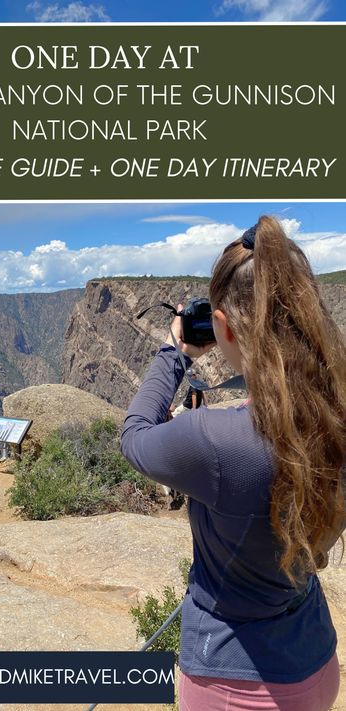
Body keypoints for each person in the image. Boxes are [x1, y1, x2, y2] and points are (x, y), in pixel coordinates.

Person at [120, 215, 346, 711]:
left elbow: (134, 437)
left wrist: (174, 352)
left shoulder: (215, 440)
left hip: (234, 685)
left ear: (220, 325)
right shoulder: (337, 418)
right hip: (315, 660)